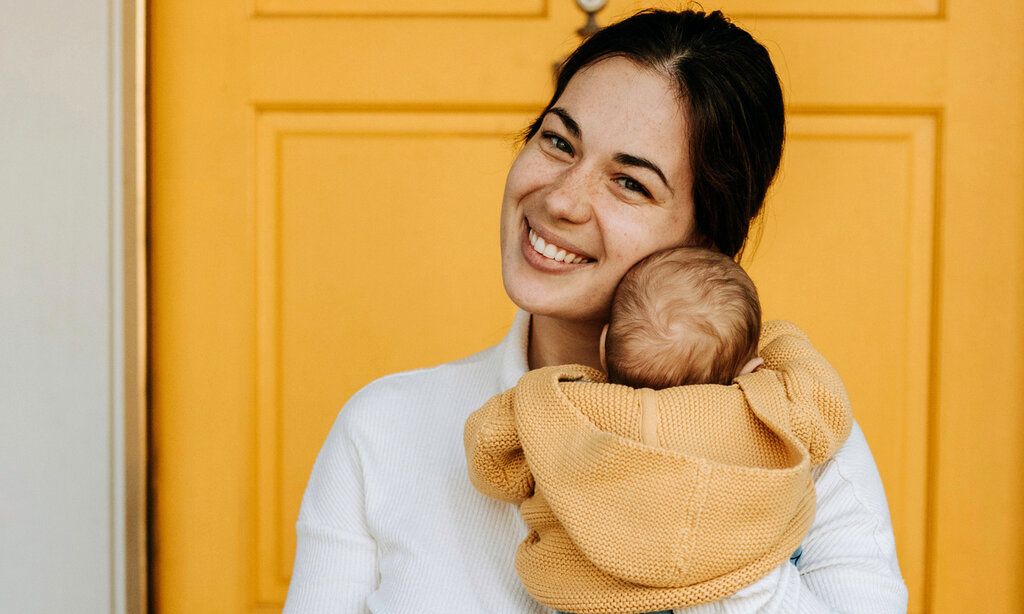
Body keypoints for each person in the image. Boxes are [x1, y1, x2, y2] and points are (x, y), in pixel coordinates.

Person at [284, 9, 908, 613]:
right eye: (558, 141)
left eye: (631, 183)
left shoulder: (799, 447)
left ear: (707, 242)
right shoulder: (383, 431)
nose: (561, 199)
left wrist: (706, 517)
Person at [464, 247, 853, 614]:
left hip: (589, 595)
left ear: (603, 346)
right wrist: (779, 337)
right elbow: (826, 409)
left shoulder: (566, 408)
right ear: (748, 371)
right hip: (732, 579)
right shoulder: (759, 413)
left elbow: (493, 455)